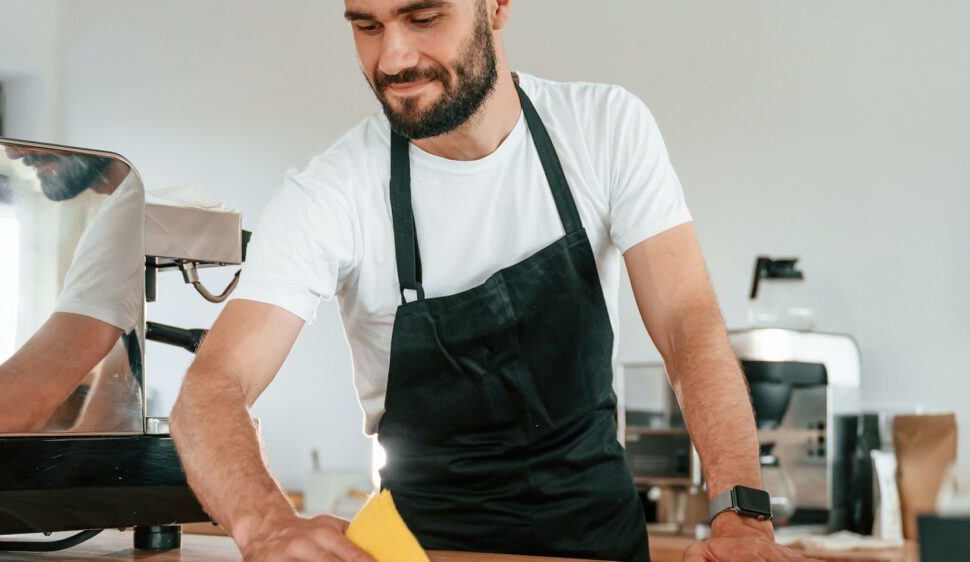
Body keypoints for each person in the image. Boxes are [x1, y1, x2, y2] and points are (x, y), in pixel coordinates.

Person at [170, 1, 822, 561]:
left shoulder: (604, 131)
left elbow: (689, 328)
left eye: (424, 16)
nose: (393, 58)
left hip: (599, 543)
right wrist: (266, 524)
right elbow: (213, 386)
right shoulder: (331, 193)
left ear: (498, 5)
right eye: (366, 26)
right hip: (426, 549)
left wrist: (740, 512)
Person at [0, 146, 144, 435]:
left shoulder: (129, 209)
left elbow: (26, 394)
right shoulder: (137, 203)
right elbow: (110, 422)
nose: (13, 152)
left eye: (38, 139)